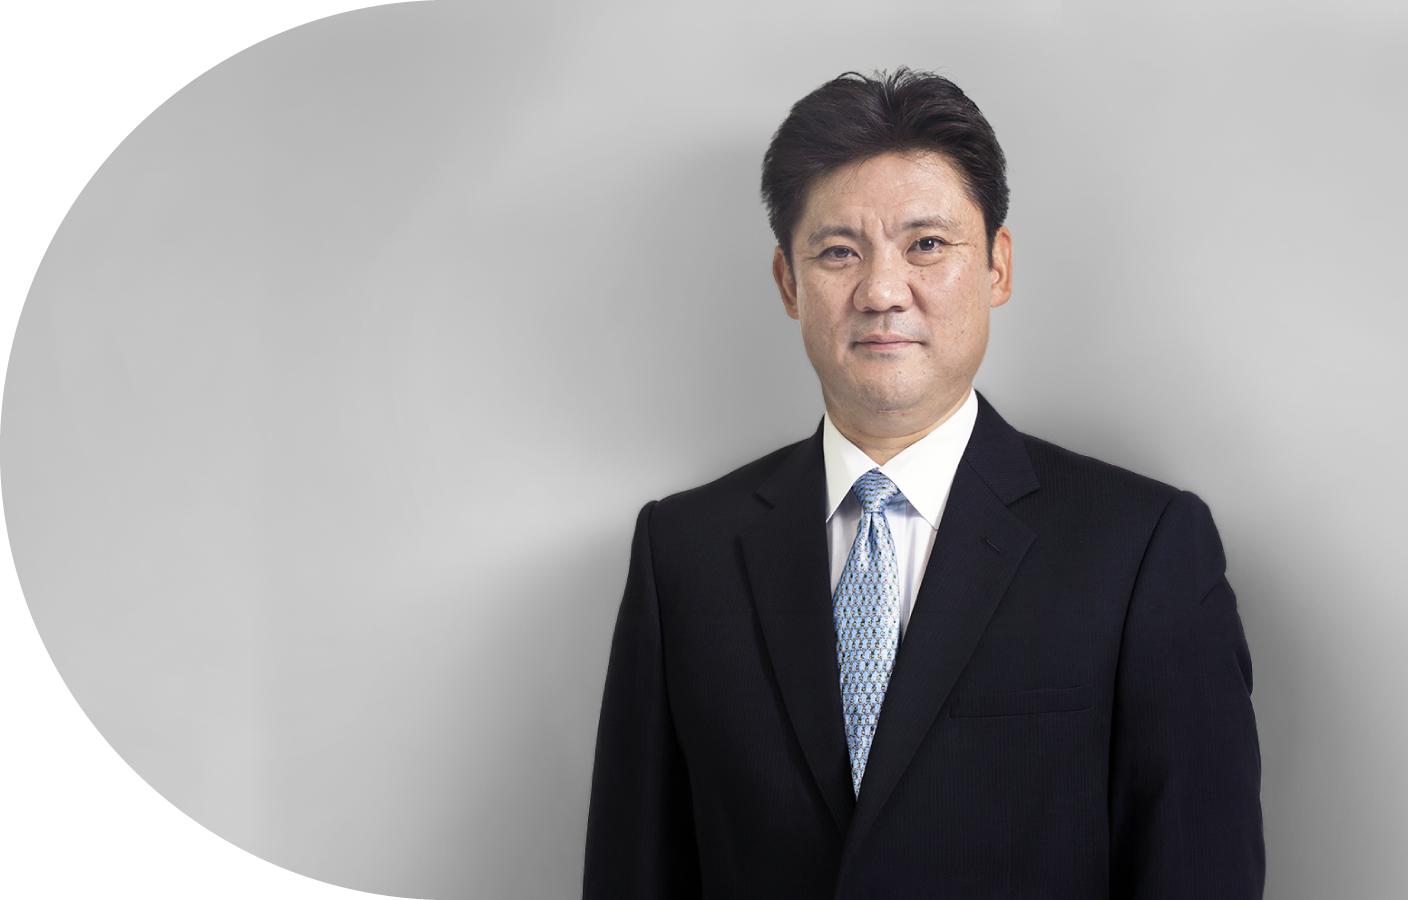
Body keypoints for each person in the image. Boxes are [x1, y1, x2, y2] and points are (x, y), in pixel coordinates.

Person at [583, 68, 1264, 899]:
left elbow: (1197, 871)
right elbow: (634, 870)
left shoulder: (1141, 549)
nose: (881, 291)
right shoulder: (684, 552)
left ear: (997, 268)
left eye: (927, 245)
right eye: (839, 252)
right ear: (789, 283)